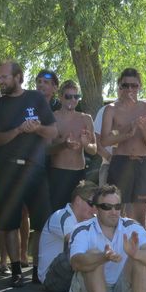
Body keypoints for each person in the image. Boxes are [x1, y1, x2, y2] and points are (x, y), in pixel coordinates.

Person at [0, 60, 58, 287]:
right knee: (9, 223)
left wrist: (38, 128)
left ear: (18, 77)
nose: (0, 81)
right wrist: (18, 130)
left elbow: (53, 131)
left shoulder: (35, 99)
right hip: (8, 169)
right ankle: (16, 271)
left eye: (4, 77)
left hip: (34, 169)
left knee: (42, 223)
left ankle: (38, 270)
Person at [102, 68, 146, 227]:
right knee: (117, 213)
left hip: (141, 162)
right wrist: (127, 133)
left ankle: (139, 243)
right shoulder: (111, 109)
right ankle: (118, 243)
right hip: (120, 162)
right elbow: (104, 140)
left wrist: (142, 128)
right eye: (125, 85)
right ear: (120, 85)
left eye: (134, 85)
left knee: (140, 217)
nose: (130, 89)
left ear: (140, 86)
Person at [48, 80, 96, 213]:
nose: (73, 100)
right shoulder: (52, 118)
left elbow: (94, 150)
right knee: (57, 215)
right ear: (60, 97)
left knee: (79, 215)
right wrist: (64, 145)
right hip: (58, 174)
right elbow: (46, 150)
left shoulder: (86, 119)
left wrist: (86, 144)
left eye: (76, 96)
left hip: (79, 174)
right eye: (68, 96)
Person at [37, 180, 96, 286]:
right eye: (91, 204)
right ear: (78, 200)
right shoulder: (63, 216)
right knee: (84, 249)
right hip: (50, 277)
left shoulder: (88, 219)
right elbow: (77, 244)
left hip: (66, 273)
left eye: (97, 205)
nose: (95, 209)